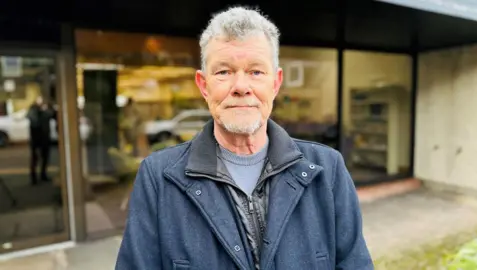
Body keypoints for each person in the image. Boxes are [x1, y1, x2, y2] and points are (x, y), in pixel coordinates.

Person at [116, 6, 373, 270]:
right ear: (204, 85)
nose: (240, 87)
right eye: (224, 72)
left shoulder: (327, 171)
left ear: (276, 83)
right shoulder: (159, 178)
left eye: (256, 72)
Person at [27, 95, 54, 185]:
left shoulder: (45, 111)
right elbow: (34, 121)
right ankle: (34, 177)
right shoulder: (33, 111)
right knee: (35, 158)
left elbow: (51, 115)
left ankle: (43, 174)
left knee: (45, 157)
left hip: (45, 137)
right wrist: (41, 111)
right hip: (36, 138)